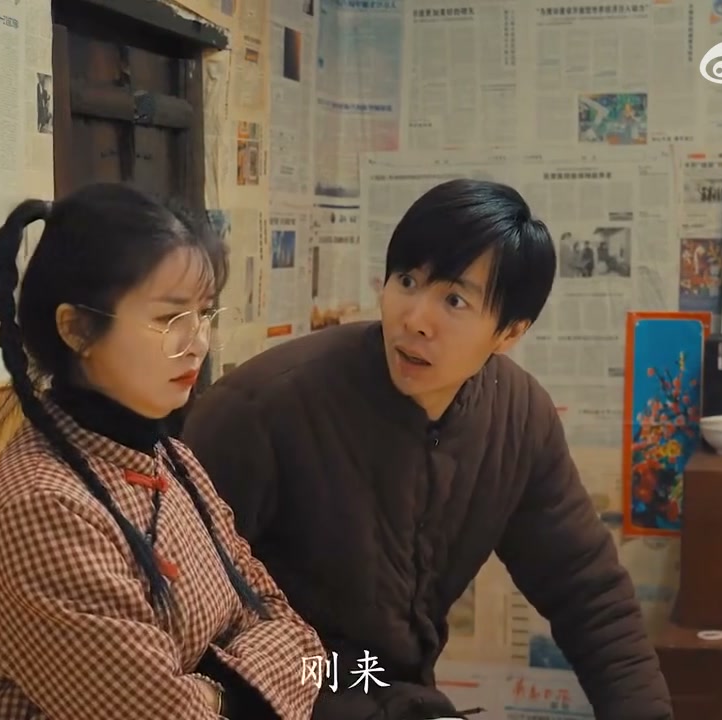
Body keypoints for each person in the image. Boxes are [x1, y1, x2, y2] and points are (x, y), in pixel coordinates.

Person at [182, 179, 672, 720]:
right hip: (281, 691)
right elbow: (184, 622)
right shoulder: (261, 409)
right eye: (407, 280)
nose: (414, 319)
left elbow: (588, 593)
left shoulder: (518, 417)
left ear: (509, 333)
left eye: (454, 300)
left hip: (400, 696)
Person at [0, 183, 323, 719]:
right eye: (168, 318)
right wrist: (233, 686)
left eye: (203, 314)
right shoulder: (43, 506)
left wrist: (207, 685)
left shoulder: (172, 459)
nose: (197, 343)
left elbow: (298, 640)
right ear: (77, 329)